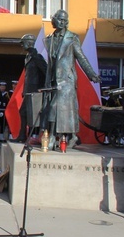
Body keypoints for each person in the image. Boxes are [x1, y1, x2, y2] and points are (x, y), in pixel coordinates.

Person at [42, 9, 101, 150]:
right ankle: (70, 136)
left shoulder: (72, 38)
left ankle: (52, 136)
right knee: (57, 108)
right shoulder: (49, 38)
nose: (62, 22)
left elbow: (81, 57)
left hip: (66, 80)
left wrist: (91, 74)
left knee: (56, 107)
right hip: (52, 80)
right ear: (54, 20)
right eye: (59, 19)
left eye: (64, 20)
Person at [14, 34, 47, 143]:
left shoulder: (37, 57)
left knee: (36, 115)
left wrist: (42, 88)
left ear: (29, 43)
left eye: (23, 43)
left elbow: (46, 72)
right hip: (28, 91)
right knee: (23, 112)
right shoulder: (28, 57)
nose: (22, 45)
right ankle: (22, 135)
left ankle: (38, 135)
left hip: (35, 91)